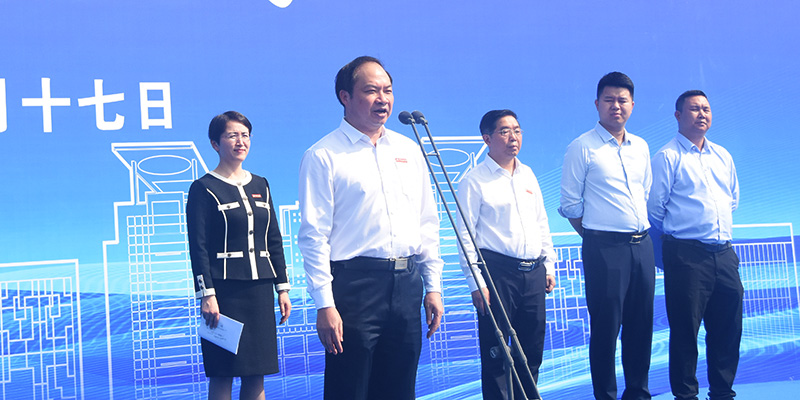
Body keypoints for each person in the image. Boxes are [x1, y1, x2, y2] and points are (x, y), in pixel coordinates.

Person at [297, 56, 444, 400]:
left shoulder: (409, 150)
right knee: (350, 388)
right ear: (345, 96)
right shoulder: (324, 155)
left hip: (407, 285)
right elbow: (314, 236)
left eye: (387, 90)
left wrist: (433, 287)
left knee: (399, 389)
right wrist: (325, 304)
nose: (383, 99)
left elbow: (427, 222)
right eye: (371, 91)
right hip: (355, 287)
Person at [558, 72, 655, 400]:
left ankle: (638, 393)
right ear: (597, 104)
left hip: (642, 246)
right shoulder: (582, 147)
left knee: (641, 326)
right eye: (609, 100)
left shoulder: (641, 147)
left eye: (622, 100)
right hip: (604, 248)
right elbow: (570, 204)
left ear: (632, 105)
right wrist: (597, 236)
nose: (616, 106)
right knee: (606, 329)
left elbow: (645, 191)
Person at [186, 111, 292, 400]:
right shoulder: (203, 188)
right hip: (224, 293)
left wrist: (282, 288)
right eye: (232, 135)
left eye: (245, 135)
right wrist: (207, 295)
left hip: (260, 291)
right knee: (223, 372)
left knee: (256, 372)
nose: (240, 141)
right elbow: (198, 246)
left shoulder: (261, 184)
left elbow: (273, 238)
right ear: (215, 143)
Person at [456, 109, 557, 399]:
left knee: (531, 351)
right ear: (487, 139)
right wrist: (476, 283)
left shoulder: (528, 175)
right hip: (497, 275)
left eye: (517, 130)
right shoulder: (474, 181)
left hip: (533, 273)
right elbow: (465, 235)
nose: (513, 137)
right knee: (497, 354)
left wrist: (549, 265)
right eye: (504, 131)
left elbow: (541, 222)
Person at [648, 90, 742, 400]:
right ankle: (686, 395)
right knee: (685, 332)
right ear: (678, 116)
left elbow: (732, 200)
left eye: (706, 109)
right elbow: (654, 209)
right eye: (694, 109)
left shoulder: (723, 156)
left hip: (724, 253)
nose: (702, 114)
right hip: (686, 255)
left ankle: (723, 392)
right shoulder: (667, 156)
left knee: (728, 329)